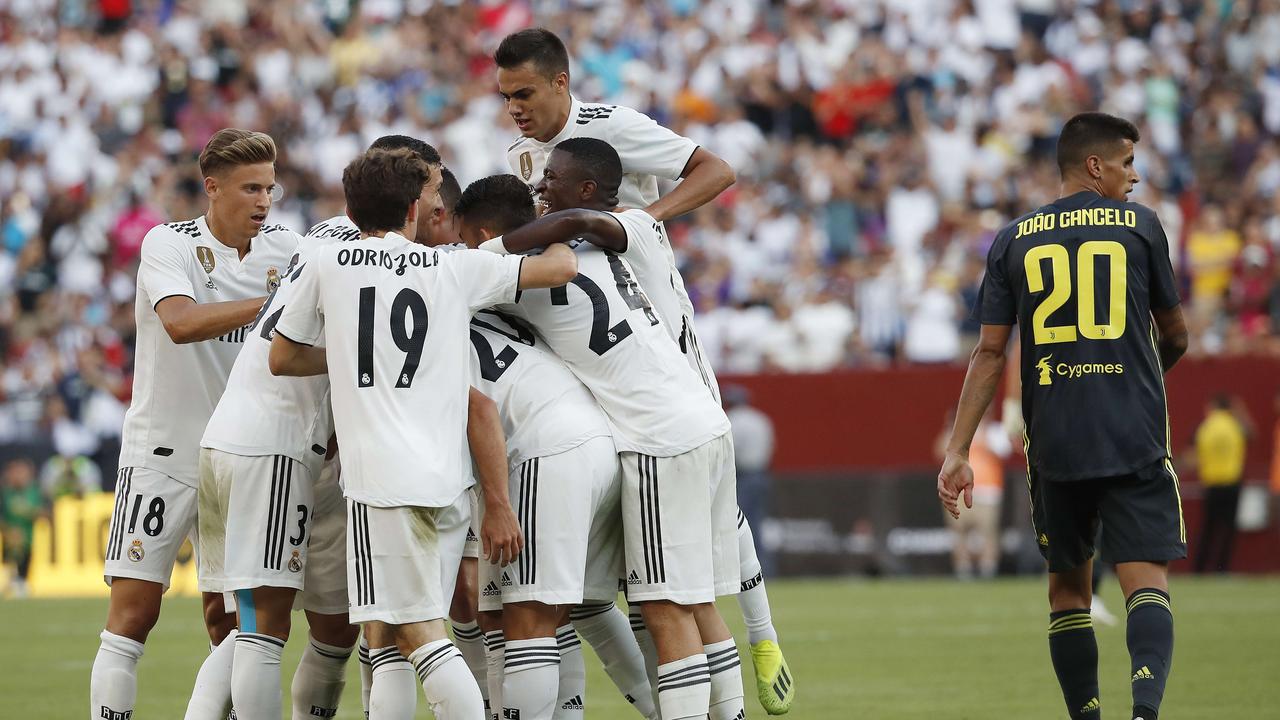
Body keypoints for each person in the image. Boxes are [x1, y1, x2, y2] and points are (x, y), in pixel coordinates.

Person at [496, 30, 792, 715]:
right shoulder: (521, 156)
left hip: (659, 345)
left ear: (563, 84)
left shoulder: (612, 129)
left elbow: (716, 170)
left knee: (680, 574)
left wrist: (638, 223)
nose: (514, 107)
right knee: (660, 581)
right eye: (506, 95)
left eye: (525, 93)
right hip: (607, 357)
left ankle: (763, 634)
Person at [269, 147, 577, 719]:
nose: (439, 204)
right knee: (386, 634)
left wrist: (352, 354)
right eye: (433, 195)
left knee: (416, 637)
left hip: (381, 483)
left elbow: (282, 357)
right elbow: (561, 267)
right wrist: (557, 221)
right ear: (413, 208)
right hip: (448, 483)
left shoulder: (328, 261)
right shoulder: (454, 267)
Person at [938, 112, 1189, 720]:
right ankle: (1146, 713)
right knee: (1144, 581)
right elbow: (1175, 335)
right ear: (1096, 166)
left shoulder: (1014, 238)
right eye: (1127, 162)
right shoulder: (1141, 226)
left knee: (1067, 593)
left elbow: (990, 352)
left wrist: (957, 450)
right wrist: (1136, 375)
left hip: (1055, 437)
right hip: (1132, 429)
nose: (1135, 175)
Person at [465, 165, 741, 720]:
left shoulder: (507, 270)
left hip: (655, 437)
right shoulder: (607, 249)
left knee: (664, 610)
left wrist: (488, 250)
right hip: (700, 418)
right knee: (697, 602)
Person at [91, 128, 300, 720]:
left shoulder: (288, 249)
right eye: (250, 188)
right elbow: (180, 323)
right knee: (133, 614)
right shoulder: (168, 243)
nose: (263, 200)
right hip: (163, 451)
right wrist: (275, 306)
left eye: (269, 187)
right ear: (212, 188)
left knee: (232, 621)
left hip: (242, 458)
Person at [455, 174, 657, 720]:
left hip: (542, 448)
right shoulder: (514, 282)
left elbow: (478, 408)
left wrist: (495, 503)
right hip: (596, 438)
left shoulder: (454, 277)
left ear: (474, 231)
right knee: (567, 608)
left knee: (528, 620)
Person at [934, 409, 1007, 580]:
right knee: (959, 530)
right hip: (958, 490)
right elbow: (939, 452)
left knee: (987, 531)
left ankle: (988, 568)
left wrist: (982, 435)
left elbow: (1003, 450)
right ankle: (963, 568)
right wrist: (950, 431)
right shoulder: (956, 435)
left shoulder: (993, 431)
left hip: (987, 491)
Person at [1191, 394, 1251, 574]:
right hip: (1232, 483)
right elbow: (1251, 434)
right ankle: (1222, 568)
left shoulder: (1206, 427)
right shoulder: (1235, 426)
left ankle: (1199, 568)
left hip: (1211, 484)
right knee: (1228, 529)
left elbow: (1194, 453)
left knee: (1207, 528)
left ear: (1213, 406)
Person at [1, 458, 43, 597]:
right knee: (10, 557)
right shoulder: (5, 493)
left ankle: (21, 582)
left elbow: (43, 512)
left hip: (27, 536)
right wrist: (8, 530)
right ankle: (11, 580)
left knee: (25, 555)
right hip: (9, 537)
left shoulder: (34, 491)